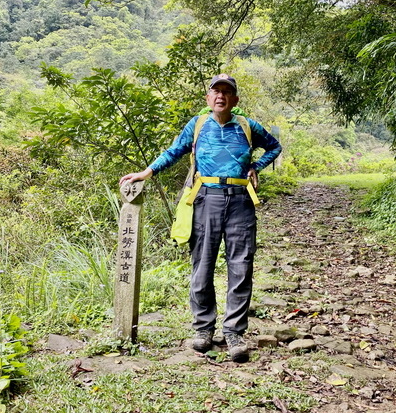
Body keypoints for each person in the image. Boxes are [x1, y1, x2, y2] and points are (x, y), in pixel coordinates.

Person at [120, 74, 282, 362]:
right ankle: (203, 329)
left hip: (241, 200)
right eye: (216, 91)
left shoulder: (247, 126)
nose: (220, 96)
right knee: (202, 266)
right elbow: (174, 151)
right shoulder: (197, 125)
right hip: (206, 197)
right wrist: (146, 172)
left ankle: (233, 332)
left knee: (241, 266)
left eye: (226, 92)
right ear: (208, 98)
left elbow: (274, 146)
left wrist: (257, 166)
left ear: (235, 100)